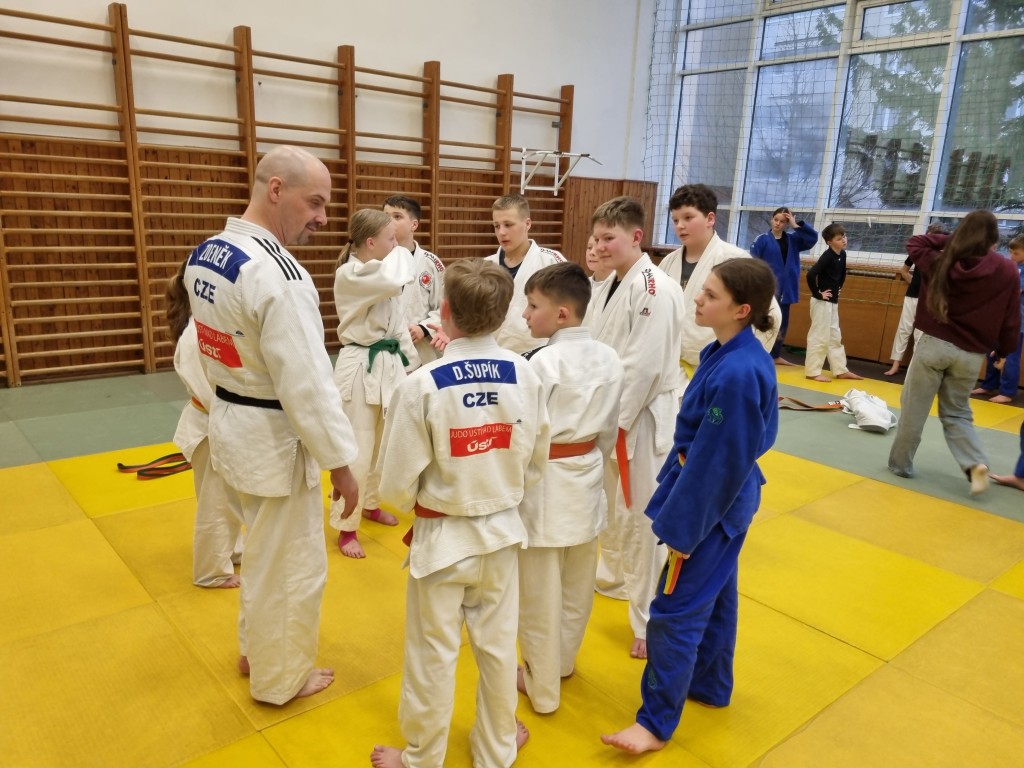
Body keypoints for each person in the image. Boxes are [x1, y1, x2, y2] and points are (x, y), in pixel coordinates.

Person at [184, 145, 359, 705]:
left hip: (231, 421)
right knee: (289, 567)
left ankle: (255, 651)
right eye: (316, 203)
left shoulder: (208, 252)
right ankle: (280, 679)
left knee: (261, 554)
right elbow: (307, 383)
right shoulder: (278, 274)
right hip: (273, 436)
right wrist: (342, 464)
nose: (323, 218)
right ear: (276, 189)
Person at [370, 258, 549, 768]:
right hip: (502, 534)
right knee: (498, 650)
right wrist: (497, 489)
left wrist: (429, 500)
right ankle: (496, 750)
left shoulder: (422, 384)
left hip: (443, 540)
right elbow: (536, 462)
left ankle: (422, 758)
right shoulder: (526, 374)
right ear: (505, 314)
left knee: (432, 654)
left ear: (444, 310)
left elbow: (394, 486)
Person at [601, 257, 779, 755]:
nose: (697, 298)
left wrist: (683, 529)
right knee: (717, 597)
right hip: (723, 493)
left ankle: (654, 723)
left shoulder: (738, 372)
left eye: (711, 295)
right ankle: (710, 685)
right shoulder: (726, 352)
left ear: (741, 310)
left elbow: (719, 461)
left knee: (673, 611)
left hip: (713, 503)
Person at [517, 262, 624, 714]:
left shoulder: (542, 363)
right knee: (577, 586)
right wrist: (590, 462)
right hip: (588, 474)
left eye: (532, 305)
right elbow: (609, 431)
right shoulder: (610, 358)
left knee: (539, 593)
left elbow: (525, 435)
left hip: (545, 482)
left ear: (562, 314)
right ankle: (560, 664)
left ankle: (542, 689)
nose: (525, 315)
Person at [584, 196, 684, 660]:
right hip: (609, 413)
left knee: (642, 519)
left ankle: (647, 620)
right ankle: (614, 580)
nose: (600, 246)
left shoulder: (653, 287)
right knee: (611, 510)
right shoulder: (610, 284)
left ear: (636, 237)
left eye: (610, 238)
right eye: (597, 238)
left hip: (639, 419)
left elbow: (642, 367)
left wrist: (610, 426)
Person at [888, 210, 1022, 495]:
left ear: (962, 234)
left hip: (934, 345)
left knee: (914, 408)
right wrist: (1004, 351)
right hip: (971, 354)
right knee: (958, 413)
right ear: (994, 239)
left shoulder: (942, 260)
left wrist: (954, 240)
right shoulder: (1007, 270)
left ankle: (901, 465)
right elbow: (1012, 318)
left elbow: (915, 242)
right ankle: (974, 463)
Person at [329, 208, 418, 558]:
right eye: (390, 238)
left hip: (389, 364)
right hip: (359, 366)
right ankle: (346, 525)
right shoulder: (351, 274)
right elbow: (398, 275)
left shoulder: (381, 272)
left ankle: (370, 503)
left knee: (382, 447)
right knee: (358, 447)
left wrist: (412, 367)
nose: (396, 245)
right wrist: (405, 247)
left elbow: (397, 326)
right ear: (370, 242)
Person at [166, 260, 244, 588]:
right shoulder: (193, 334)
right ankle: (211, 570)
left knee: (230, 496)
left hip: (220, 421)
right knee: (216, 500)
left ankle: (232, 549)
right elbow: (208, 389)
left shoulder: (210, 325)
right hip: (210, 426)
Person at [659, 184, 781, 393]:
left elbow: (771, 315)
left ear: (710, 219)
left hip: (719, 368)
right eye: (675, 220)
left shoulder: (735, 260)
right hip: (672, 370)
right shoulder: (668, 263)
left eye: (688, 217)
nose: (680, 226)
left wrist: (742, 362)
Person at [486, 193, 565, 353]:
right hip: (492, 357)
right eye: (496, 226)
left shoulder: (551, 262)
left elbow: (570, 310)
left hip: (538, 355)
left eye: (508, 225)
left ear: (527, 223)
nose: (501, 232)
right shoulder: (486, 266)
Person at [382, 194, 446, 367]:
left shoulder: (431, 263)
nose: (389, 222)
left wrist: (423, 328)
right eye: (385, 216)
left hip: (419, 349)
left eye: (397, 217)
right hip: (384, 348)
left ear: (414, 225)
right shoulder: (376, 261)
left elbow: (445, 305)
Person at [750, 206, 818, 366]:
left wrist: (796, 225)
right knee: (762, 321)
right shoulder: (762, 239)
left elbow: (812, 238)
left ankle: (775, 354)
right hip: (768, 289)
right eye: (776, 220)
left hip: (786, 290)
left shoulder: (793, 240)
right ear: (771, 219)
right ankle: (757, 353)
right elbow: (753, 262)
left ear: (786, 224)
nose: (778, 224)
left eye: (782, 221)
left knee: (782, 323)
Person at [884, 225, 950, 376]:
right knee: (904, 329)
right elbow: (904, 271)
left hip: (928, 300)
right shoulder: (919, 253)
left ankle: (914, 368)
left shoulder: (943, 258)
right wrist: (914, 283)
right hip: (912, 295)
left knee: (920, 334)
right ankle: (895, 364)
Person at [804, 223, 865, 383]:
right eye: (839, 238)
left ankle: (840, 370)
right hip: (821, 303)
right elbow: (810, 275)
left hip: (832, 302)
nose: (844, 240)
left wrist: (839, 287)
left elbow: (842, 274)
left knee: (834, 336)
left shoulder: (842, 254)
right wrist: (818, 293)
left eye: (844, 236)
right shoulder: (827, 257)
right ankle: (812, 371)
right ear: (829, 242)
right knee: (819, 336)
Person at [970, 234, 1024, 403]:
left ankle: (1007, 391)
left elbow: (1014, 289)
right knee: (991, 350)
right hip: (1001, 316)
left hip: (1017, 320)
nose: (1011, 256)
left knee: (1010, 354)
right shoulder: (1014, 266)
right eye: (1010, 252)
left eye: (1016, 253)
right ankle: (989, 384)